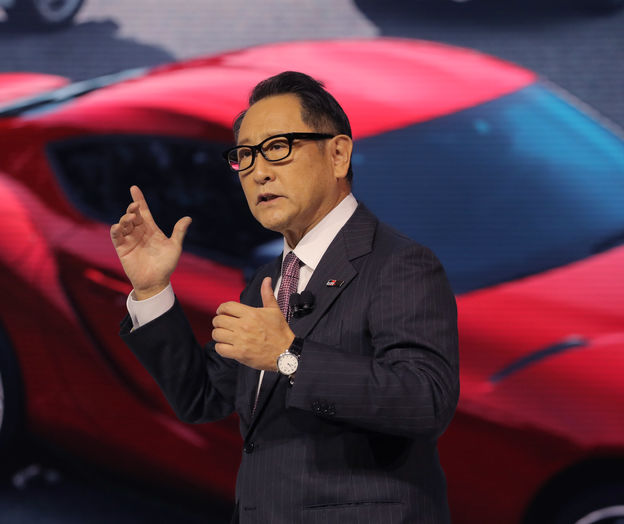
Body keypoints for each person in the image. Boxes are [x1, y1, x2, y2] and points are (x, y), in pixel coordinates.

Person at [110, 71, 459, 523]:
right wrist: (152, 289)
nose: (259, 170)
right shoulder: (270, 281)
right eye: (245, 155)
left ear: (337, 154)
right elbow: (202, 398)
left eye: (278, 147)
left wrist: (289, 357)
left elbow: (425, 400)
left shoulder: (398, 264)